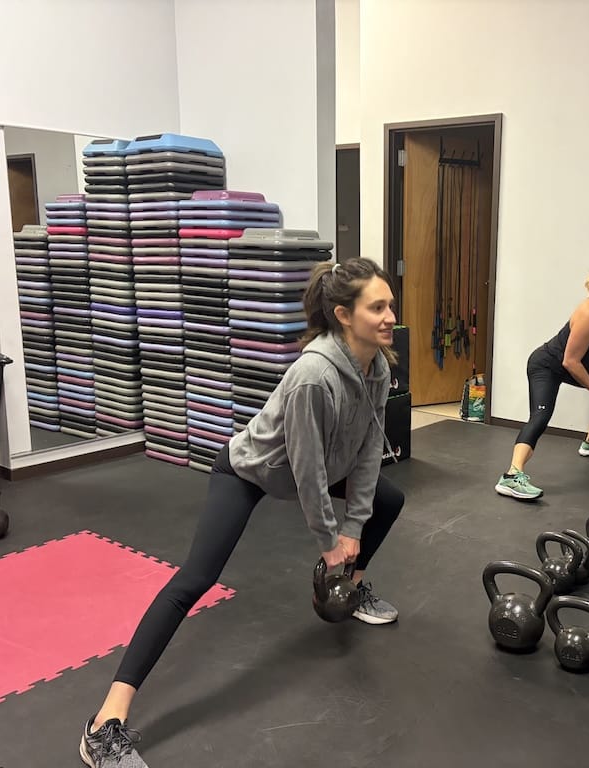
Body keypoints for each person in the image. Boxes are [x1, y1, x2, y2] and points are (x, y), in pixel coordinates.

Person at [79, 257, 405, 768]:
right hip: (252, 470)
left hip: (324, 466)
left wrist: (352, 531)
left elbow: (367, 453)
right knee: (195, 579)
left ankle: (350, 587)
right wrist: (329, 542)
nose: (391, 317)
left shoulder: (378, 367)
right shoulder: (313, 377)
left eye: (390, 305)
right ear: (344, 314)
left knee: (388, 500)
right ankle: (104, 722)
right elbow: (307, 471)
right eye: (378, 307)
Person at [495, 257, 589, 500]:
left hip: (573, 364)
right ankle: (511, 476)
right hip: (546, 365)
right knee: (541, 416)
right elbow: (570, 361)